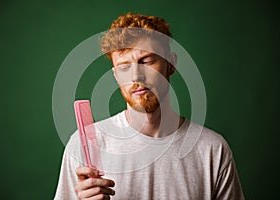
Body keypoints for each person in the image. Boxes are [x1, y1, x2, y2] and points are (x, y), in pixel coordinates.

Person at [54, 13, 244, 200]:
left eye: (146, 61)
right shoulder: (83, 144)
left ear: (171, 64)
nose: (136, 76)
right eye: (124, 67)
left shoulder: (213, 149)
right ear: (116, 75)